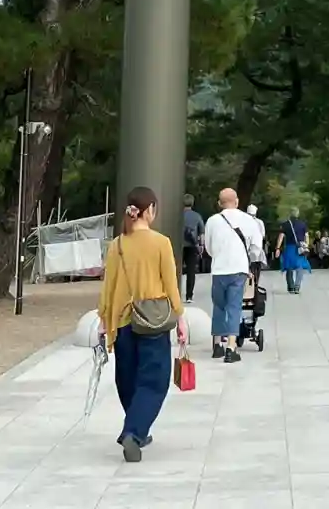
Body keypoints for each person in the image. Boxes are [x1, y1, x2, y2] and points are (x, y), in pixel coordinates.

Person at [97, 186, 186, 463]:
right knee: (154, 380)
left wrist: (104, 319)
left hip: (123, 321)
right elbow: (170, 284)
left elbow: (108, 286)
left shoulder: (117, 245)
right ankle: (134, 432)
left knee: (128, 378)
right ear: (150, 210)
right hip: (152, 321)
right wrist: (180, 317)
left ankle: (137, 428)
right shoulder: (161, 243)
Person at [202, 187, 258, 363]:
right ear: (237, 201)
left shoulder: (212, 221)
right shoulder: (248, 220)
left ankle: (217, 344)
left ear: (219, 203)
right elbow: (256, 247)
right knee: (234, 306)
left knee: (218, 306)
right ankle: (231, 347)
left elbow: (208, 248)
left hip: (219, 269)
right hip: (238, 268)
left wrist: (219, 255)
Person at [276, 206, 312, 294]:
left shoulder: (285, 224)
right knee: (300, 267)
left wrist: (277, 248)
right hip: (300, 248)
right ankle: (297, 286)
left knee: (289, 267)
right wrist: (306, 245)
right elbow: (306, 236)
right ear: (298, 214)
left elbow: (281, 237)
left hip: (289, 248)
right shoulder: (302, 224)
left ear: (290, 214)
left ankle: (291, 286)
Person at [181, 194, 205, 304]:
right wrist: (201, 246)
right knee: (191, 271)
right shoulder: (197, 216)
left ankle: (174, 293)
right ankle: (189, 296)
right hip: (192, 245)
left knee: (175, 270)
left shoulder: (178, 216)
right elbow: (201, 233)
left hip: (179, 246)